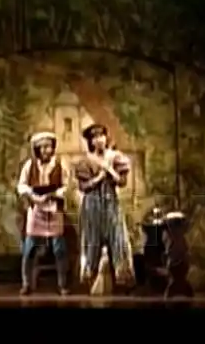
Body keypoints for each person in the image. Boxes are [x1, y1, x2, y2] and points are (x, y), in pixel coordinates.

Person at [74, 123, 135, 292]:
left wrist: (110, 171)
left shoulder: (114, 157)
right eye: (95, 137)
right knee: (92, 240)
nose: (99, 140)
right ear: (91, 141)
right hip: (92, 204)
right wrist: (100, 177)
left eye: (101, 136)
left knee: (118, 237)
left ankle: (123, 279)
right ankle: (90, 278)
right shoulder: (86, 160)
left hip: (110, 202)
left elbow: (121, 182)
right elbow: (83, 187)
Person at [15, 131, 71, 295]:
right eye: (42, 147)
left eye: (49, 147)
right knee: (29, 248)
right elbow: (21, 185)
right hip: (36, 210)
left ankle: (62, 284)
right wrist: (32, 195)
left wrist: (54, 194)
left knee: (59, 249)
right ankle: (26, 283)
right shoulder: (29, 165)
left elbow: (67, 186)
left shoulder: (60, 164)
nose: (46, 150)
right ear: (37, 149)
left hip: (54, 210)